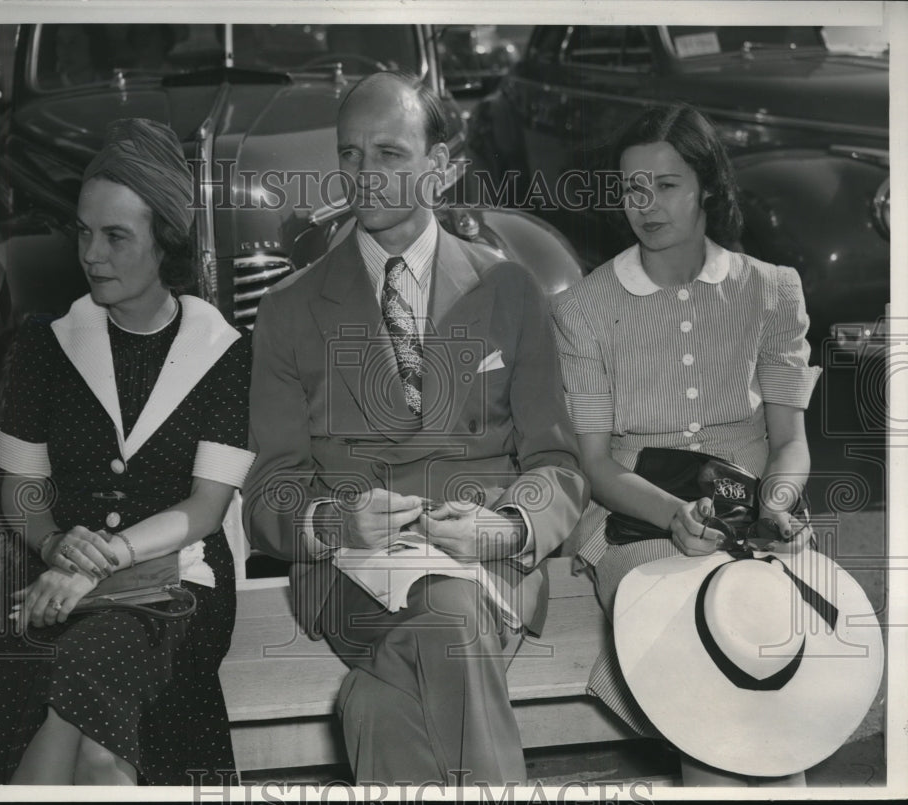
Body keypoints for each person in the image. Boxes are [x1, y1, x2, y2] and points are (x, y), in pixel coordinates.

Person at [243, 71, 587, 786]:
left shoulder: (509, 288)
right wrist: (337, 522)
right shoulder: (289, 309)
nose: (364, 174)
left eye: (390, 154)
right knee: (445, 620)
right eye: (350, 153)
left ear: (440, 167)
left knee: (381, 702)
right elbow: (269, 492)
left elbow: (557, 462)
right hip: (353, 577)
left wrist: (502, 529)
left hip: (487, 566)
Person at [0, 118, 253, 785]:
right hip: (58, 575)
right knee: (16, 697)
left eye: (116, 236)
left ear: (164, 241)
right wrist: (56, 545)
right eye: (84, 232)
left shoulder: (223, 353)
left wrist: (99, 564)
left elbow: (205, 508)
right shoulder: (45, 345)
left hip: (178, 583)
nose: (92, 254)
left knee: (81, 673)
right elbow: (22, 490)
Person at [551, 104, 822, 786]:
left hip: (755, 514)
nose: (645, 204)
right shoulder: (583, 310)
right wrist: (676, 517)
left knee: (773, 656)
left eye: (666, 184)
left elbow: (790, 442)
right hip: (638, 522)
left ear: (707, 186)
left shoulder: (770, 290)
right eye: (631, 187)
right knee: (702, 656)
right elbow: (595, 465)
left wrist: (774, 503)